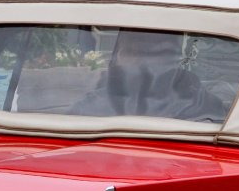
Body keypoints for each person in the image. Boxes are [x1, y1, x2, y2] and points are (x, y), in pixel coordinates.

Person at [70, 29, 227, 122]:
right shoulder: (205, 106)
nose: (143, 62)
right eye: (135, 52)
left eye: (158, 53)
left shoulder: (87, 108)